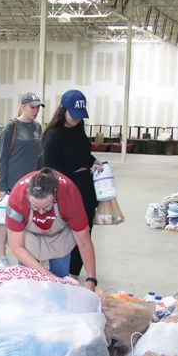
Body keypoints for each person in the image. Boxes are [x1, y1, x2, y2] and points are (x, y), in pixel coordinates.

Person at [42, 89, 103, 279]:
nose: (77, 119)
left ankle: (74, 275)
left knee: (84, 232)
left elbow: (82, 153)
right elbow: (49, 168)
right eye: (73, 115)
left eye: (80, 115)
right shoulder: (54, 134)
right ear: (63, 110)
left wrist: (93, 161)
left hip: (86, 189)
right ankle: (61, 274)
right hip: (66, 190)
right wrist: (74, 173)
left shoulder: (78, 128)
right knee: (66, 233)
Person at [5, 168, 97, 292]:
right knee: (29, 283)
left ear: (55, 194)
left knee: (60, 284)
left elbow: (84, 242)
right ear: (27, 194)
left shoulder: (69, 194)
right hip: (29, 235)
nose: (41, 212)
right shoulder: (17, 198)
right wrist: (46, 274)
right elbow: (16, 246)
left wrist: (91, 279)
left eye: (47, 206)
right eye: (36, 207)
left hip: (59, 235)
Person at [0, 92, 44, 269]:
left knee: (26, 222)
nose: (35, 110)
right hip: (11, 185)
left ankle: (26, 258)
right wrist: (2, 186)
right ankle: (1, 256)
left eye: (38, 107)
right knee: (5, 221)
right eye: (32, 107)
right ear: (23, 106)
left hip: (31, 186)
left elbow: (40, 156)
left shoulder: (38, 128)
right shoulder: (11, 127)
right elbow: (2, 158)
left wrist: (41, 179)